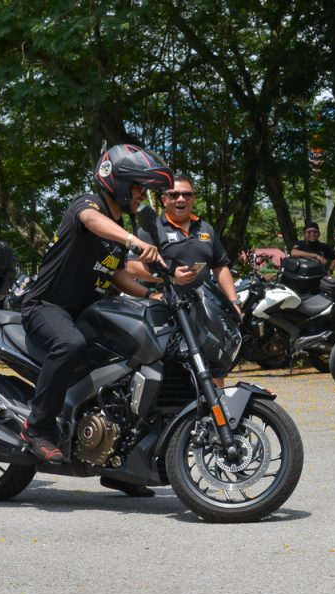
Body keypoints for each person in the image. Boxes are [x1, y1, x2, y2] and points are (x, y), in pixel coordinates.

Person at [20, 144, 170, 498]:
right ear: (119, 182)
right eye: (139, 187)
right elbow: (90, 222)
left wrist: (154, 292)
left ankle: (120, 464)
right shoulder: (88, 206)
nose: (143, 196)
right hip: (46, 306)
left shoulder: (116, 227)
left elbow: (116, 274)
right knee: (69, 344)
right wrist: (133, 241)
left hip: (85, 311)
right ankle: (37, 428)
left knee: (129, 362)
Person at [125, 174, 241, 385]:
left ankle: (215, 406)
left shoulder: (205, 228)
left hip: (203, 311)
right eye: (174, 195)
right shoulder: (152, 229)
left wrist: (234, 302)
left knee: (213, 366)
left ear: (193, 198)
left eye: (187, 194)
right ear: (164, 199)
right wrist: (166, 278)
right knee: (170, 369)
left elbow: (220, 266)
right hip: (165, 310)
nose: (180, 199)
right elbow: (132, 267)